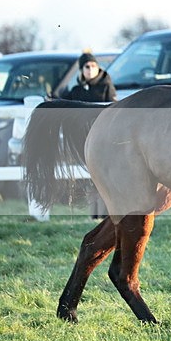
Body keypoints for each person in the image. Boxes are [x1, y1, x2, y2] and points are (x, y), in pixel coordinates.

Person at [60, 51, 117, 218]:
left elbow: (113, 108)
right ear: (81, 70)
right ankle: (95, 214)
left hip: (105, 138)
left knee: (106, 176)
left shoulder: (106, 86)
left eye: (93, 66)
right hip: (85, 138)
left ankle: (108, 212)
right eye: (87, 66)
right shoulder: (77, 89)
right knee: (92, 177)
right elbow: (66, 103)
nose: (91, 69)